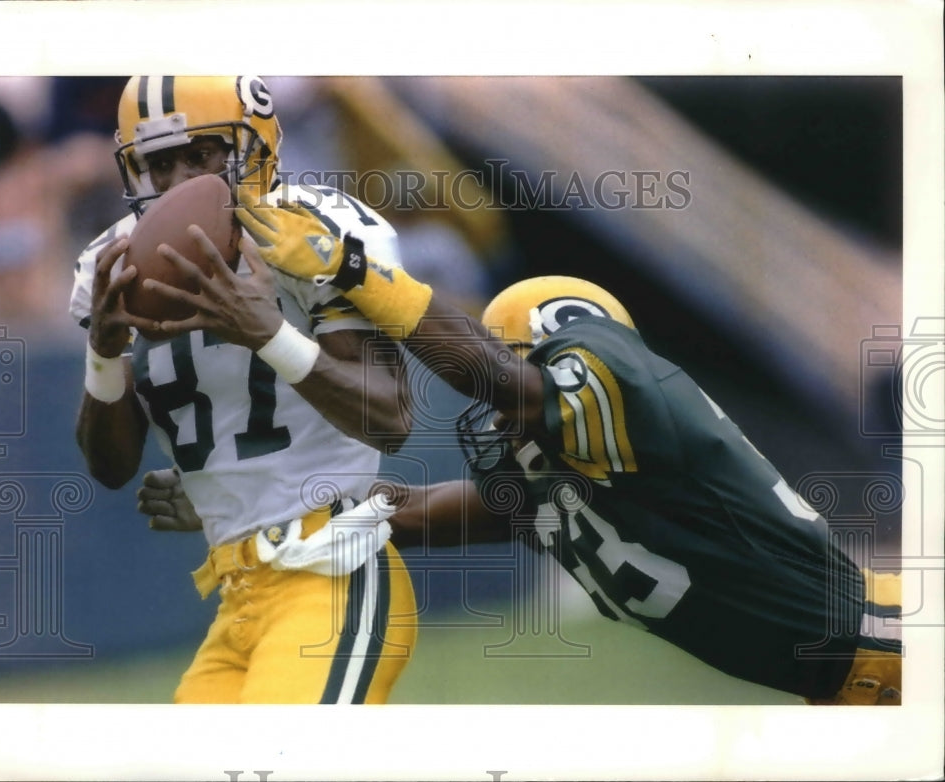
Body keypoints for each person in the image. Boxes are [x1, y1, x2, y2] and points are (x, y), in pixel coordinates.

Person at [147, 196, 902, 706]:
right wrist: (239, 493)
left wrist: (357, 274)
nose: (497, 418)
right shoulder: (556, 476)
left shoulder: (629, 395)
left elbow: (510, 386)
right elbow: (401, 512)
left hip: (899, 648)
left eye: (521, 365)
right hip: (843, 685)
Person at [71, 75, 417, 704]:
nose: (179, 183)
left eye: (200, 156)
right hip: (234, 591)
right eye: (158, 163)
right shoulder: (117, 260)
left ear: (252, 148)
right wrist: (104, 350)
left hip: (330, 567)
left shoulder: (312, 235)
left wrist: (268, 333)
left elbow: (389, 419)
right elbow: (111, 467)